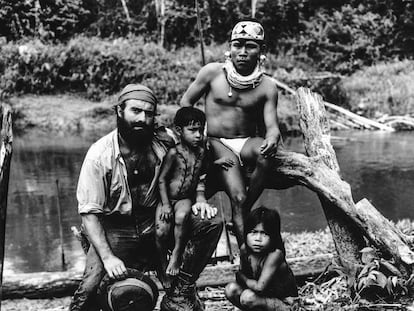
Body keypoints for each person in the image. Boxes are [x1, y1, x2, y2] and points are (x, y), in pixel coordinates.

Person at [69, 84, 222, 311]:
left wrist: (201, 199)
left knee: (211, 223)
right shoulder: (100, 155)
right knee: (88, 290)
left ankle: (182, 290)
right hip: (116, 230)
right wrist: (108, 257)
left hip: (158, 219)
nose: (142, 119)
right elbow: (90, 215)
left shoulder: (166, 140)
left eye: (149, 113)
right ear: (119, 111)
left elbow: (200, 157)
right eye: (136, 111)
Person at [181, 20, 281, 246]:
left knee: (266, 153)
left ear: (261, 51)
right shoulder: (212, 73)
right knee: (237, 196)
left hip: (246, 142)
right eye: (238, 45)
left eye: (250, 46)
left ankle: (246, 209)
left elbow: (272, 124)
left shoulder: (267, 86)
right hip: (215, 142)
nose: (243, 52)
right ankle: (244, 239)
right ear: (230, 47)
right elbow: (186, 102)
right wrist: (197, 134)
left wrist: (273, 138)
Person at [156, 107, 211, 285]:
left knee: (181, 217)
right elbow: (162, 180)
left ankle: (177, 254)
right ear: (179, 131)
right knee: (161, 231)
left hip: (184, 199)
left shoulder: (202, 153)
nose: (198, 135)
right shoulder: (174, 153)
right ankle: (162, 263)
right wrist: (165, 204)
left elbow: (202, 175)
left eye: (200, 130)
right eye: (192, 130)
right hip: (167, 199)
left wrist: (218, 162)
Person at [224, 206, 298, 311]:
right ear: (246, 233)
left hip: (285, 302)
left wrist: (242, 277)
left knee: (248, 298)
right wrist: (242, 277)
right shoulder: (245, 249)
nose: (258, 239)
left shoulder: (275, 254)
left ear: (273, 236)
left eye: (264, 233)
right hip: (263, 297)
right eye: (253, 232)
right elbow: (241, 277)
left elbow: (259, 288)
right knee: (230, 290)